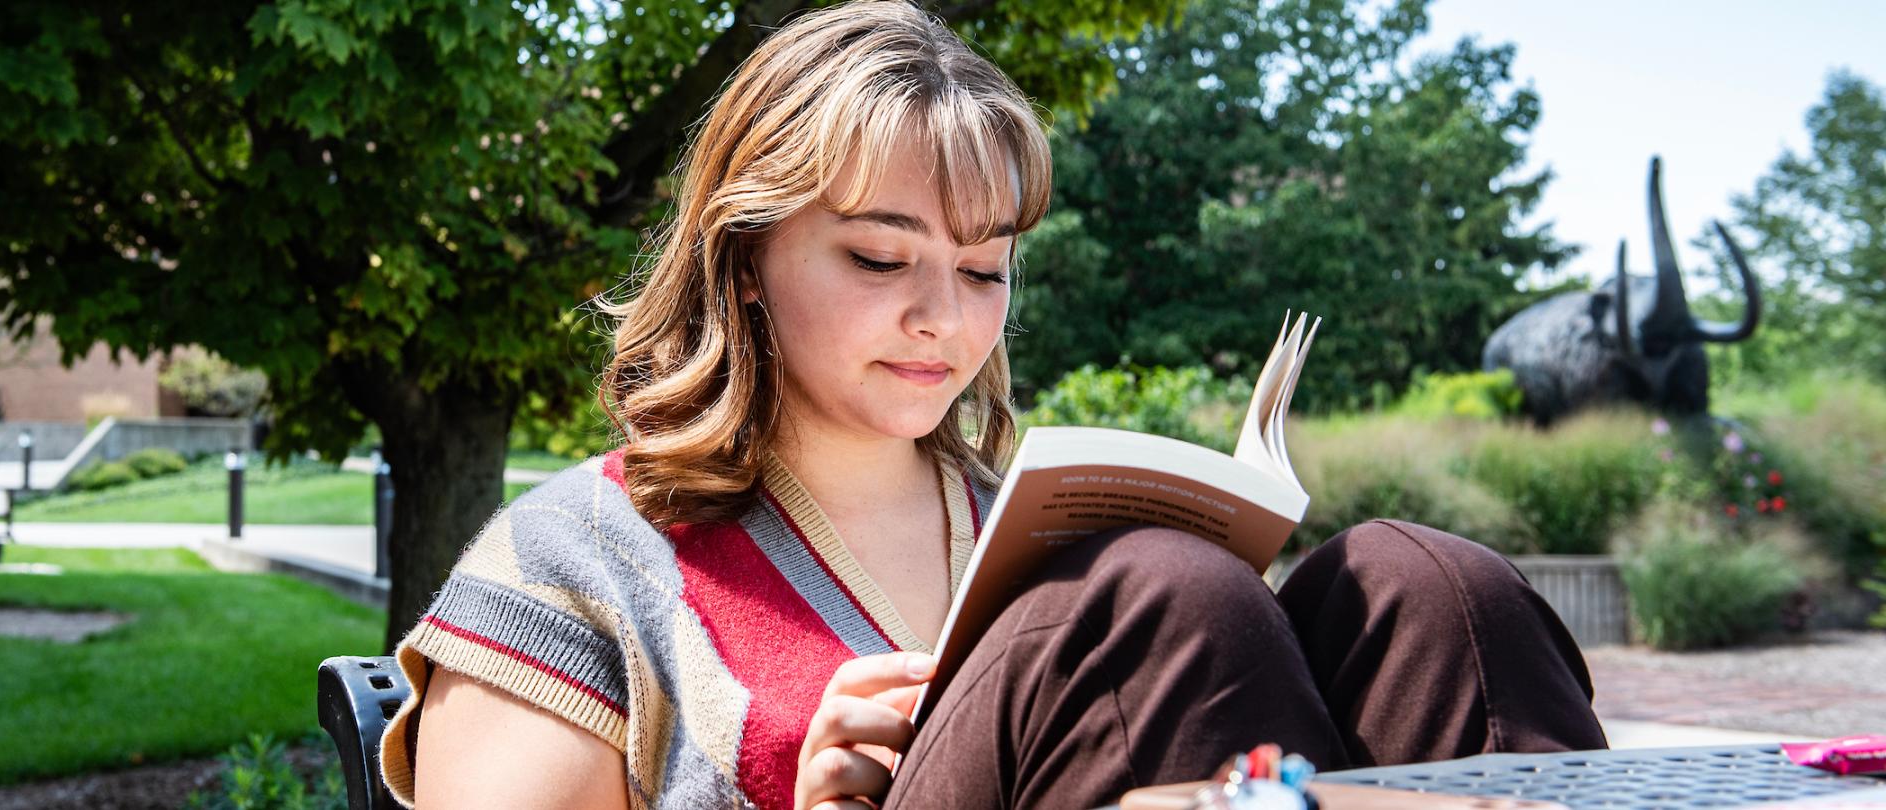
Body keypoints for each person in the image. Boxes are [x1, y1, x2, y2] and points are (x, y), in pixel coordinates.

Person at [376, 3, 1607, 808]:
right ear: (744, 256)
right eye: (878, 257)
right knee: (1160, 600)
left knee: (1421, 584)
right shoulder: (570, 563)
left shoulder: (1026, 526)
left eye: (982, 270)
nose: (946, 320)